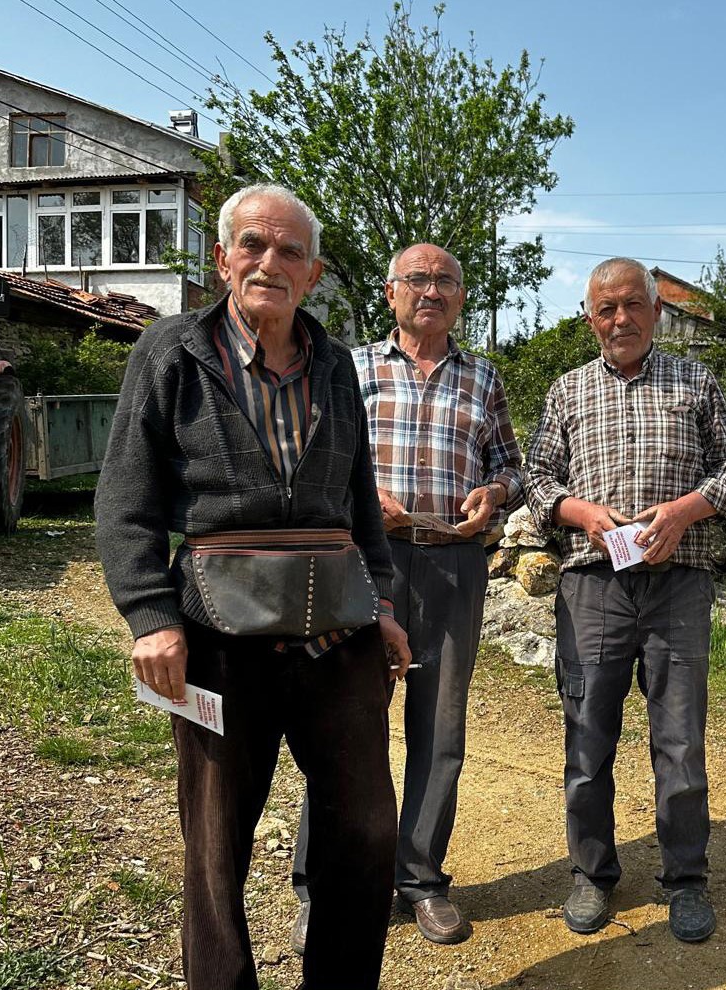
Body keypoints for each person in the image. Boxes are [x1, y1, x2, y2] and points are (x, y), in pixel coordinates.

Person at [96, 183, 412, 990]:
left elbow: (356, 499)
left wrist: (383, 605)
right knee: (216, 848)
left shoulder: (336, 364)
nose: (271, 263)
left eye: (291, 252)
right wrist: (150, 616)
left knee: (368, 831)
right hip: (215, 638)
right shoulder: (172, 350)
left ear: (312, 274)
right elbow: (125, 497)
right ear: (222, 258)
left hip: (338, 636)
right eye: (254, 246)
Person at [290, 243, 523, 948]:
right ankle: (324, 886)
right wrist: (364, 499)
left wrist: (496, 494)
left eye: (445, 281)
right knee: (343, 728)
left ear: (461, 297)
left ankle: (419, 880)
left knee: (440, 732)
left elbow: (510, 464)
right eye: (417, 280)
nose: (431, 290)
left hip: (454, 567)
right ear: (391, 294)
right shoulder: (348, 369)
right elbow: (309, 453)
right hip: (365, 566)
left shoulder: (484, 378)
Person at [524, 257, 726, 943]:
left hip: (679, 584)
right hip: (593, 586)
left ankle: (685, 880)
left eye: (631, 306)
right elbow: (536, 478)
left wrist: (683, 511)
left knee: (679, 741)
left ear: (655, 311)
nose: (619, 319)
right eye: (605, 308)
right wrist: (581, 512)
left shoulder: (696, 380)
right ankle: (592, 874)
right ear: (589, 317)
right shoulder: (567, 391)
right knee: (587, 739)